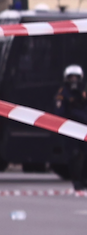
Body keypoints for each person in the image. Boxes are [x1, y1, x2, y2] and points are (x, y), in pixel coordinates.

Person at [53, 63, 87, 191]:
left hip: (84, 128)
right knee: (74, 155)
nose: (74, 80)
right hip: (71, 129)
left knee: (85, 154)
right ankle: (77, 180)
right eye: (71, 77)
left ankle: (84, 179)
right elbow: (59, 111)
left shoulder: (84, 91)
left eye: (76, 77)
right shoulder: (63, 93)